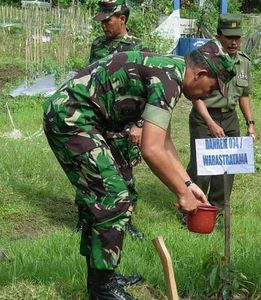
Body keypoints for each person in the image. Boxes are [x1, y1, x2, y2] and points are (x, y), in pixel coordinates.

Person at [42, 40, 235, 300]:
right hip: (71, 118)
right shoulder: (169, 78)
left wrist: (189, 185)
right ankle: (102, 289)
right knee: (113, 198)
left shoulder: (170, 72)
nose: (207, 96)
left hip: (91, 122)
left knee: (122, 195)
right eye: (211, 88)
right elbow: (152, 149)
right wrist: (181, 194)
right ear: (200, 74)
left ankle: (102, 275)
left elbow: (163, 142)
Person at [74, 0, 150, 239]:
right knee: (90, 168)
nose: (103, 25)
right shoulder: (97, 45)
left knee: (124, 172)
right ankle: (86, 216)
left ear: (122, 19)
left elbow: (148, 87)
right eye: (102, 21)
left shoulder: (137, 46)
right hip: (97, 119)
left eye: (108, 20)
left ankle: (125, 220)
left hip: (124, 123)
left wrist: (139, 124)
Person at [186, 13, 255, 209]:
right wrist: (210, 123)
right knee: (202, 166)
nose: (233, 42)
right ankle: (193, 208)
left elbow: (244, 95)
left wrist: (250, 123)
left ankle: (218, 210)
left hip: (230, 118)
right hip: (205, 117)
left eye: (237, 37)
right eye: (228, 37)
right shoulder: (204, 58)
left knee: (228, 166)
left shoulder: (244, 62)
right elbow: (195, 96)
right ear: (218, 36)